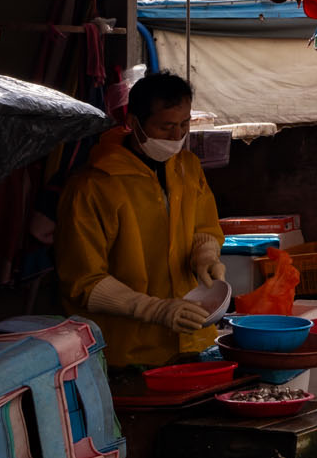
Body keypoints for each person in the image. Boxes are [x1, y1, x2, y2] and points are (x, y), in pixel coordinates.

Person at [56, 73, 224, 367]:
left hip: (191, 340)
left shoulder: (187, 167)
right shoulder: (93, 186)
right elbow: (84, 281)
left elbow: (203, 227)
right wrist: (155, 310)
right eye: (166, 126)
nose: (177, 136)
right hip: (125, 351)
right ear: (134, 122)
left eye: (184, 124)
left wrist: (206, 255)